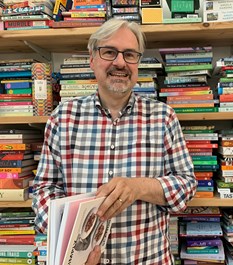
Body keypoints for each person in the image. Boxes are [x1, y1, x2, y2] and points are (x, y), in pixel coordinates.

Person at [32, 19, 197, 265]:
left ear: (137, 63)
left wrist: (139, 187)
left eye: (129, 54)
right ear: (92, 59)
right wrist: (68, 241)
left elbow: (186, 186)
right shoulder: (62, 118)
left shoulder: (164, 117)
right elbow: (43, 191)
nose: (120, 62)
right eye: (109, 52)